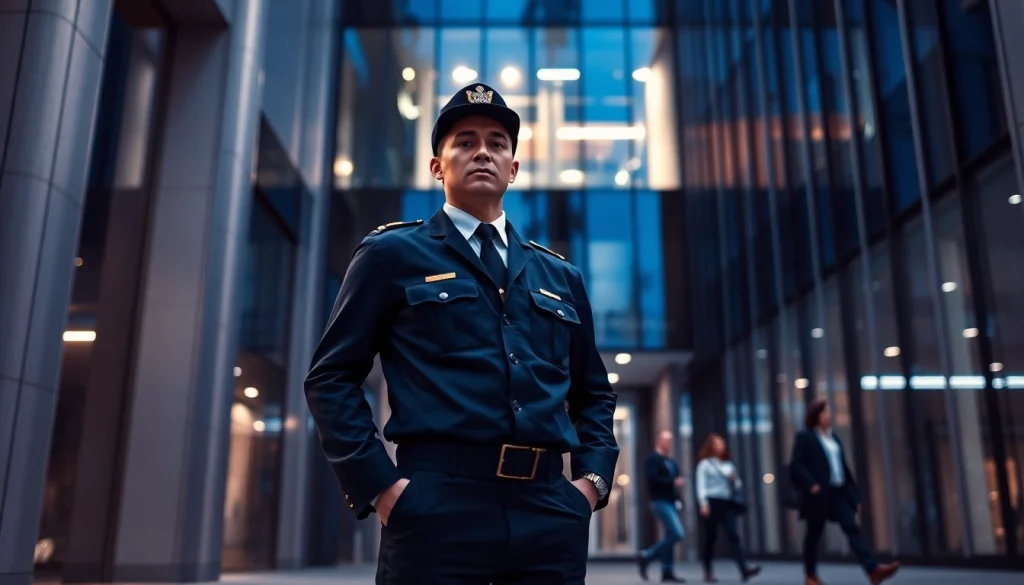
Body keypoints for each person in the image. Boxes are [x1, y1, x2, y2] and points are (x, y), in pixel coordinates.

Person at [304, 82, 619, 585]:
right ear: (437, 166)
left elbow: (593, 393)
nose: (482, 153)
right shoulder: (390, 255)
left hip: (549, 513)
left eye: (497, 143)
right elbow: (331, 378)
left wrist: (590, 484)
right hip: (436, 509)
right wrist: (383, 488)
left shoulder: (560, 276)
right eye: (465, 141)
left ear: (513, 169)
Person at [790, 399, 899, 585]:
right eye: (824, 412)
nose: (828, 415)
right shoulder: (805, 437)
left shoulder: (834, 438)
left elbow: (844, 469)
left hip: (838, 492)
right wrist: (811, 484)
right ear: (815, 416)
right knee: (813, 535)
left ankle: (873, 570)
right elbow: (796, 465)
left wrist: (854, 495)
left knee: (852, 528)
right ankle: (810, 575)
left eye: (829, 412)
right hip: (818, 494)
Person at [695, 434, 760, 583]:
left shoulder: (728, 464)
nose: (720, 447)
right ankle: (708, 570)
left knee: (733, 534)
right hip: (712, 502)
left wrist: (734, 479)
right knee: (710, 538)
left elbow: (738, 485)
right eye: (717, 444)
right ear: (711, 446)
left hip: (726, 502)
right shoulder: (705, 464)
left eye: (722, 444)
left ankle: (743, 568)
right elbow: (701, 485)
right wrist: (703, 503)